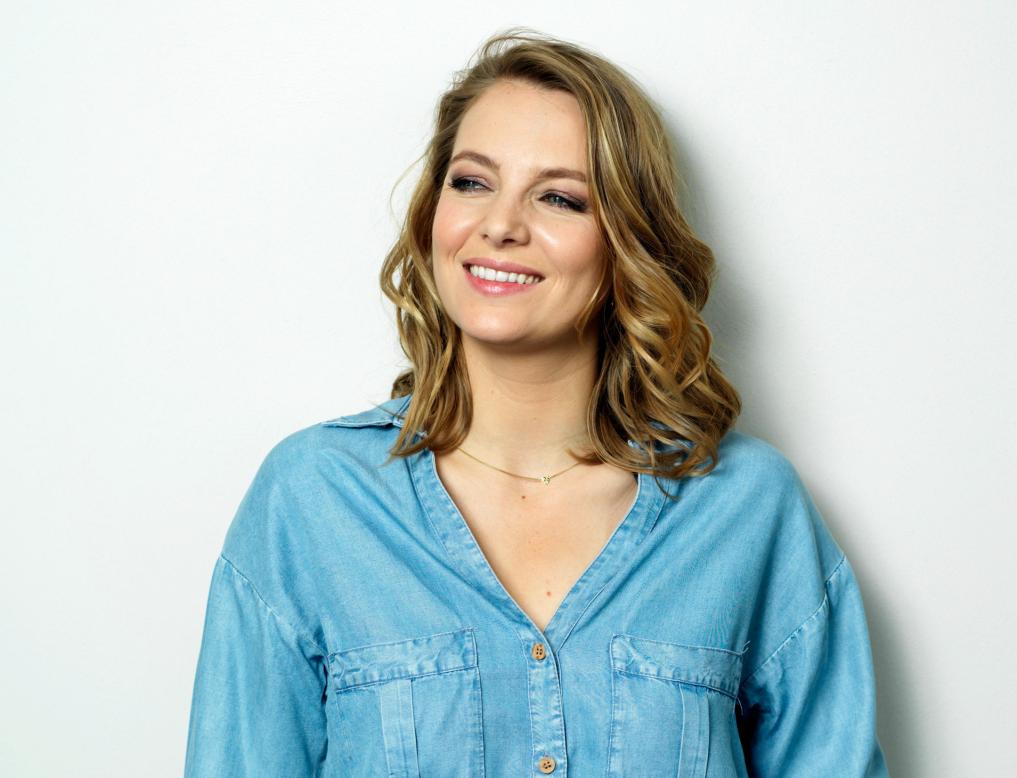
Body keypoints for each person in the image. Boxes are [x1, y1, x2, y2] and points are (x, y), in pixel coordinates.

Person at [184, 28, 889, 777]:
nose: (499, 225)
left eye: (559, 198)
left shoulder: (748, 509)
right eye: (471, 182)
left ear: (628, 241)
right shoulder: (313, 500)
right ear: (431, 215)